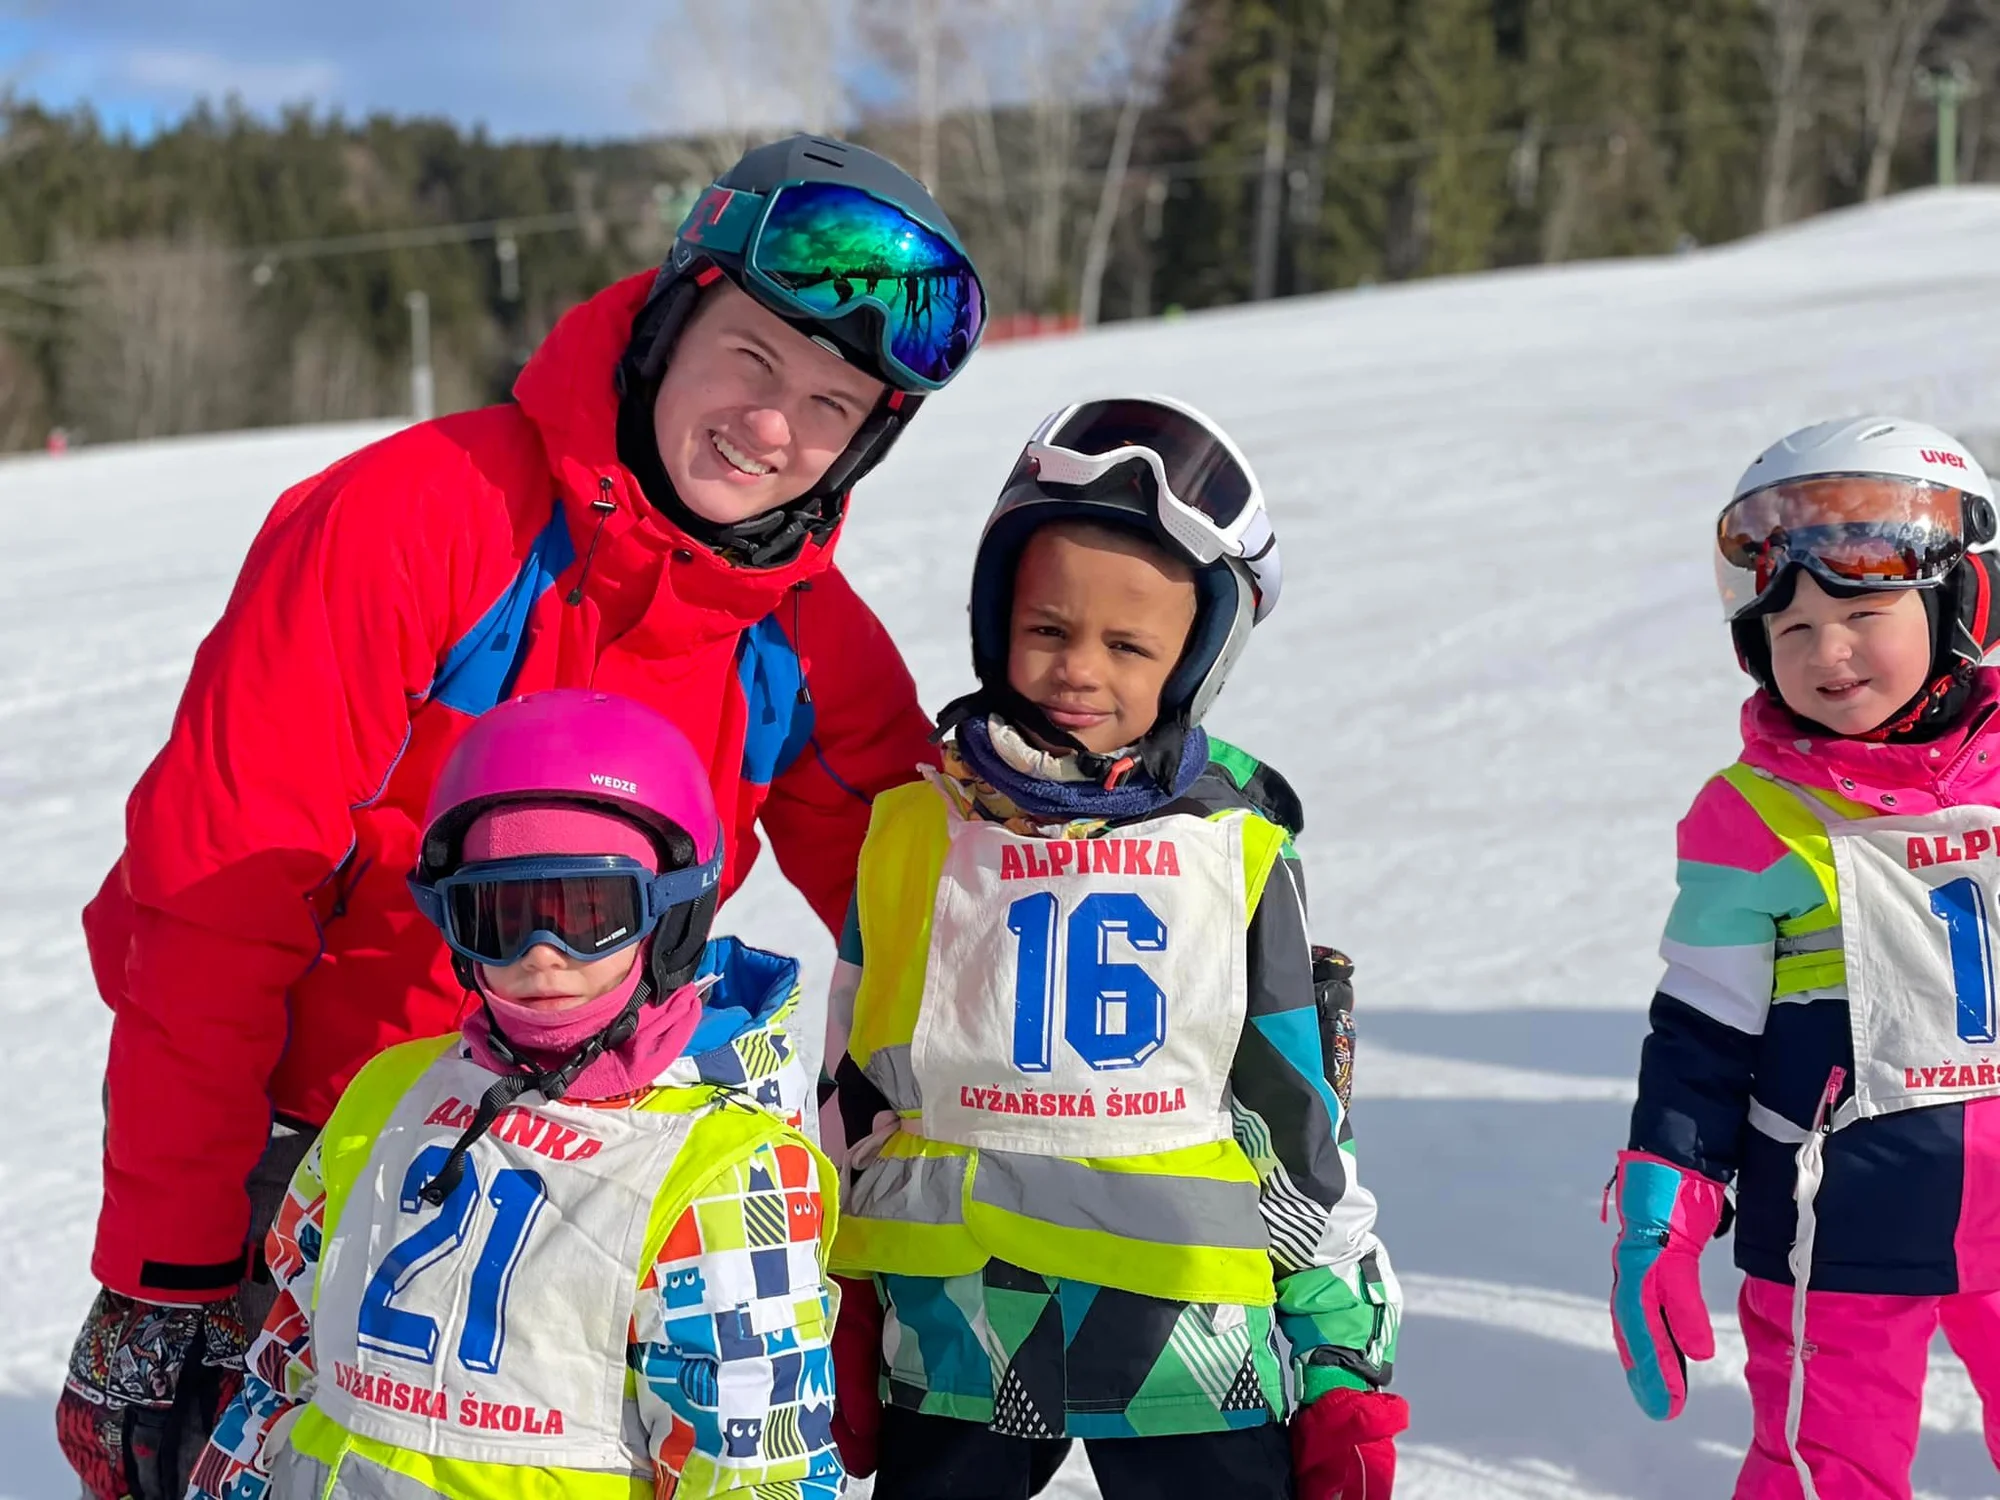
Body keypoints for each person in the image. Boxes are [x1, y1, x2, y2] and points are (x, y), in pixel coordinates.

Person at [58, 133, 985, 1500]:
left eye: (832, 405)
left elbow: (930, 916)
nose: (773, 427)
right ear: (669, 321)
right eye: (751, 357)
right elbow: (215, 899)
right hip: (316, 1153)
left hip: (595, 1170)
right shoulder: (417, 519)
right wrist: (168, 1267)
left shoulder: (801, 635)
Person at [819, 397, 1409, 1500]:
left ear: (1192, 662)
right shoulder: (912, 832)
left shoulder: (1231, 849)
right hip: (957, 1332)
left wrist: (1339, 1347)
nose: (1077, 670)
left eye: (1127, 645)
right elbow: (858, 1085)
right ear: (996, 622)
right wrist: (839, 1287)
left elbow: (1294, 1120)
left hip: (1183, 1337)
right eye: (1048, 630)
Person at [183, 688, 842, 1499]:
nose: (541, 953)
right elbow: (286, 1360)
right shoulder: (392, 1094)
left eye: (589, 913)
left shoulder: (718, 1172)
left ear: (672, 915)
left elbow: (756, 1471)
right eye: (499, 917)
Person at [1609, 416, 2000, 1497]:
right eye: (1792, 628)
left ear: (1962, 606)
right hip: (1834, 1230)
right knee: (1828, 1471)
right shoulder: (1753, 819)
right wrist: (1664, 1206)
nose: (1826, 653)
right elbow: (1700, 1031)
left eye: (1863, 615)